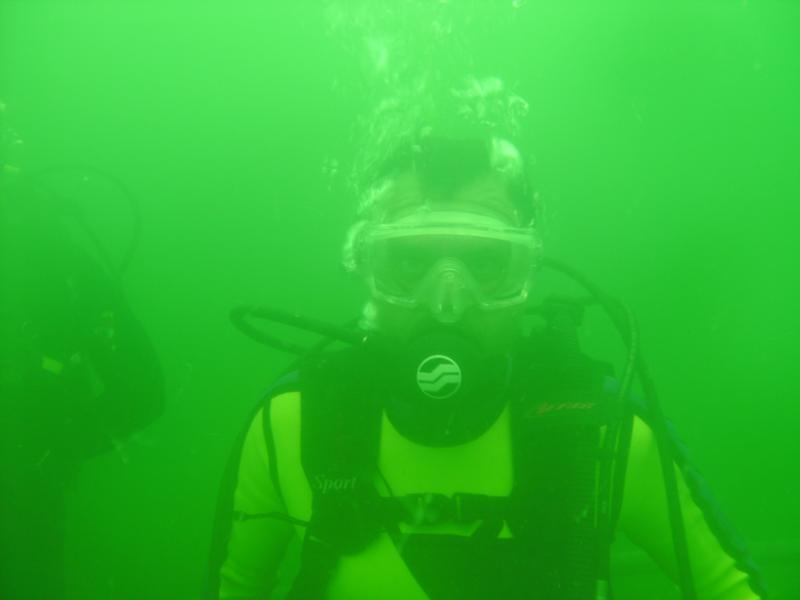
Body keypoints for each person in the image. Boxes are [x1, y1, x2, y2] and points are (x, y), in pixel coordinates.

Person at [207, 133, 767, 599]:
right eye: (408, 263)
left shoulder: (605, 435)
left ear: (529, 277)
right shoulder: (291, 426)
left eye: (487, 265)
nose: (447, 302)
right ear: (364, 268)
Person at [0, 167, 165, 599]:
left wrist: (50, 448)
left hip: (28, 494)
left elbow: (144, 393)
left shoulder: (68, 273)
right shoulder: (68, 269)